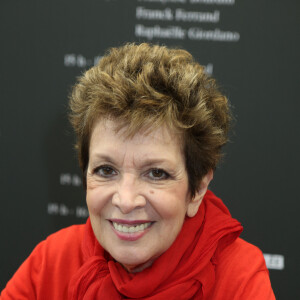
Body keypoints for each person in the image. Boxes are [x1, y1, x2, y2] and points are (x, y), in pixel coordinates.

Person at [1, 43, 275, 299]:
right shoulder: (52, 262)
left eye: (156, 173)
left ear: (198, 189)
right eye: (106, 170)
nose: (126, 200)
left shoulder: (238, 279)